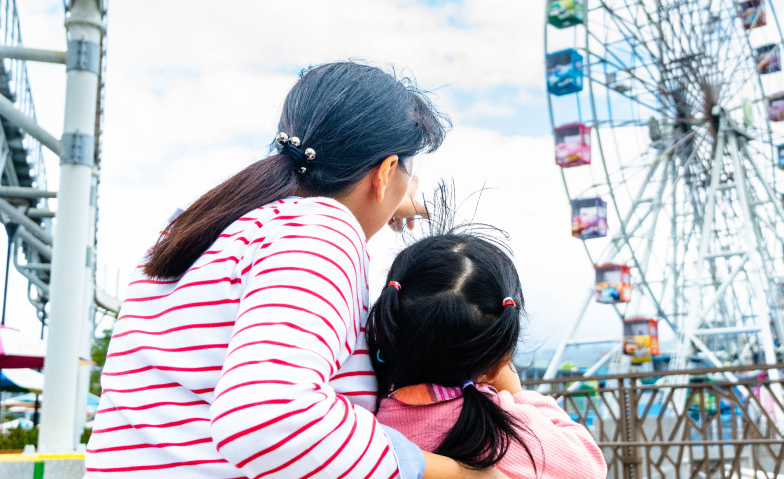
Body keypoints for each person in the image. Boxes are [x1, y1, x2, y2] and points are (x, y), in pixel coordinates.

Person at [86, 62, 504, 478]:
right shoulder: (320, 230)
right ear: (386, 171)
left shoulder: (201, 228)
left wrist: (382, 201)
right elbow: (269, 421)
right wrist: (455, 473)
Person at [367, 229, 608, 479]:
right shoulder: (501, 427)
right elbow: (589, 467)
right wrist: (517, 392)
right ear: (496, 365)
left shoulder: (364, 424)